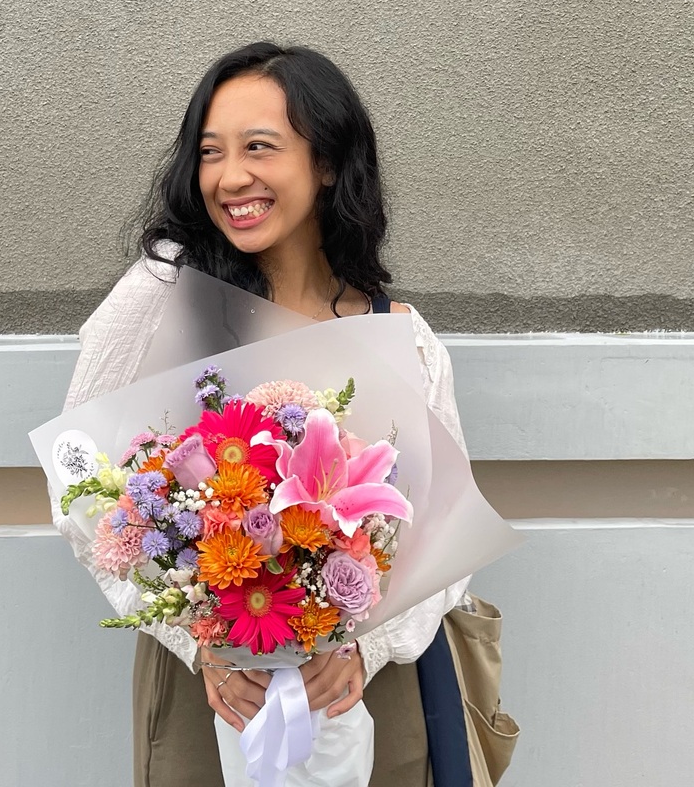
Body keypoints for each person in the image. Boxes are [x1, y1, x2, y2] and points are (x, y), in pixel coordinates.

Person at [52, 42, 472, 787]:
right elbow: (79, 481)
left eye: (259, 148)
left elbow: (443, 541)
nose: (230, 176)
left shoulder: (400, 335)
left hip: (365, 692)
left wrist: (360, 653)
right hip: (214, 690)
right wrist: (201, 644)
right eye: (210, 152)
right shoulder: (163, 300)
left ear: (329, 163)